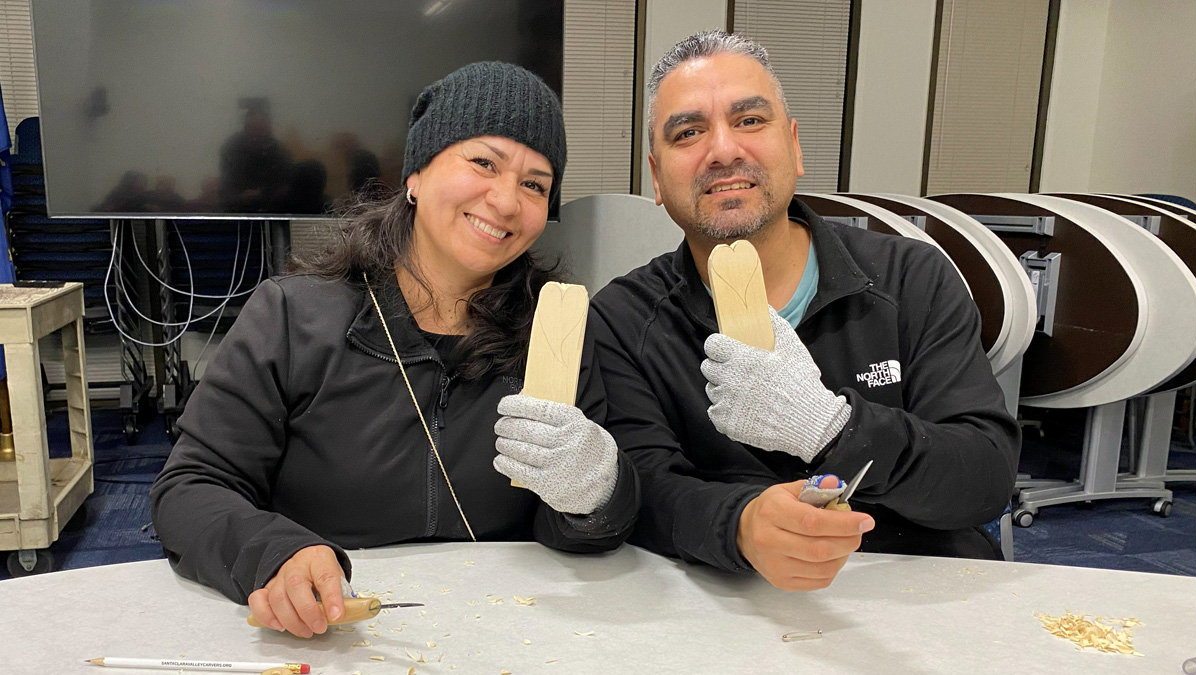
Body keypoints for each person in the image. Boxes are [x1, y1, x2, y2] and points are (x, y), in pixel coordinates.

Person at [151, 62, 638, 638]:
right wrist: (275, 552)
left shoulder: (556, 338)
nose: (507, 201)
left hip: (508, 634)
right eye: (484, 163)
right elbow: (190, 487)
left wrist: (597, 493)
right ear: (417, 174)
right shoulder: (292, 317)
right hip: (331, 635)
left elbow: (586, 531)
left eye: (535, 184)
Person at [590, 31, 1019, 592]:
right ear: (656, 175)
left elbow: (983, 478)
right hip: (721, 599)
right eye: (688, 133)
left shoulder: (911, 279)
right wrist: (740, 525)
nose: (723, 151)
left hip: (914, 592)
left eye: (749, 120)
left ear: (794, 146)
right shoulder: (624, 319)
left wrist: (832, 428)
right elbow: (644, 487)